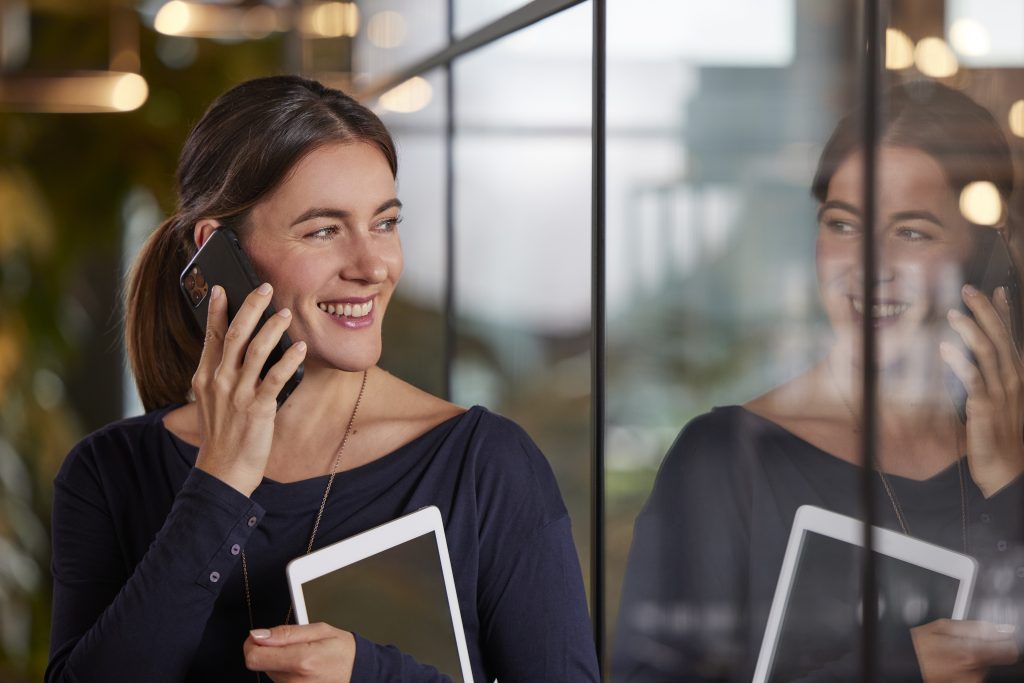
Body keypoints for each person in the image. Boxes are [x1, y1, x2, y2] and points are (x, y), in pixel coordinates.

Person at [46, 75, 599, 682]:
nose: (373, 266)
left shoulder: (486, 466)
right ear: (217, 252)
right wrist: (221, 481)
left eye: (385, 223)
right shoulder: (109, 472)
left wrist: (372, 675)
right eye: (324, 230)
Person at [612, 81, 1024, 682]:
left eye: (912, 233)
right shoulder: (727, 459)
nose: (868, 267)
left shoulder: (1011, 462)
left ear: (983, 256)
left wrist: (1013, 485)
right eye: (842, 225)